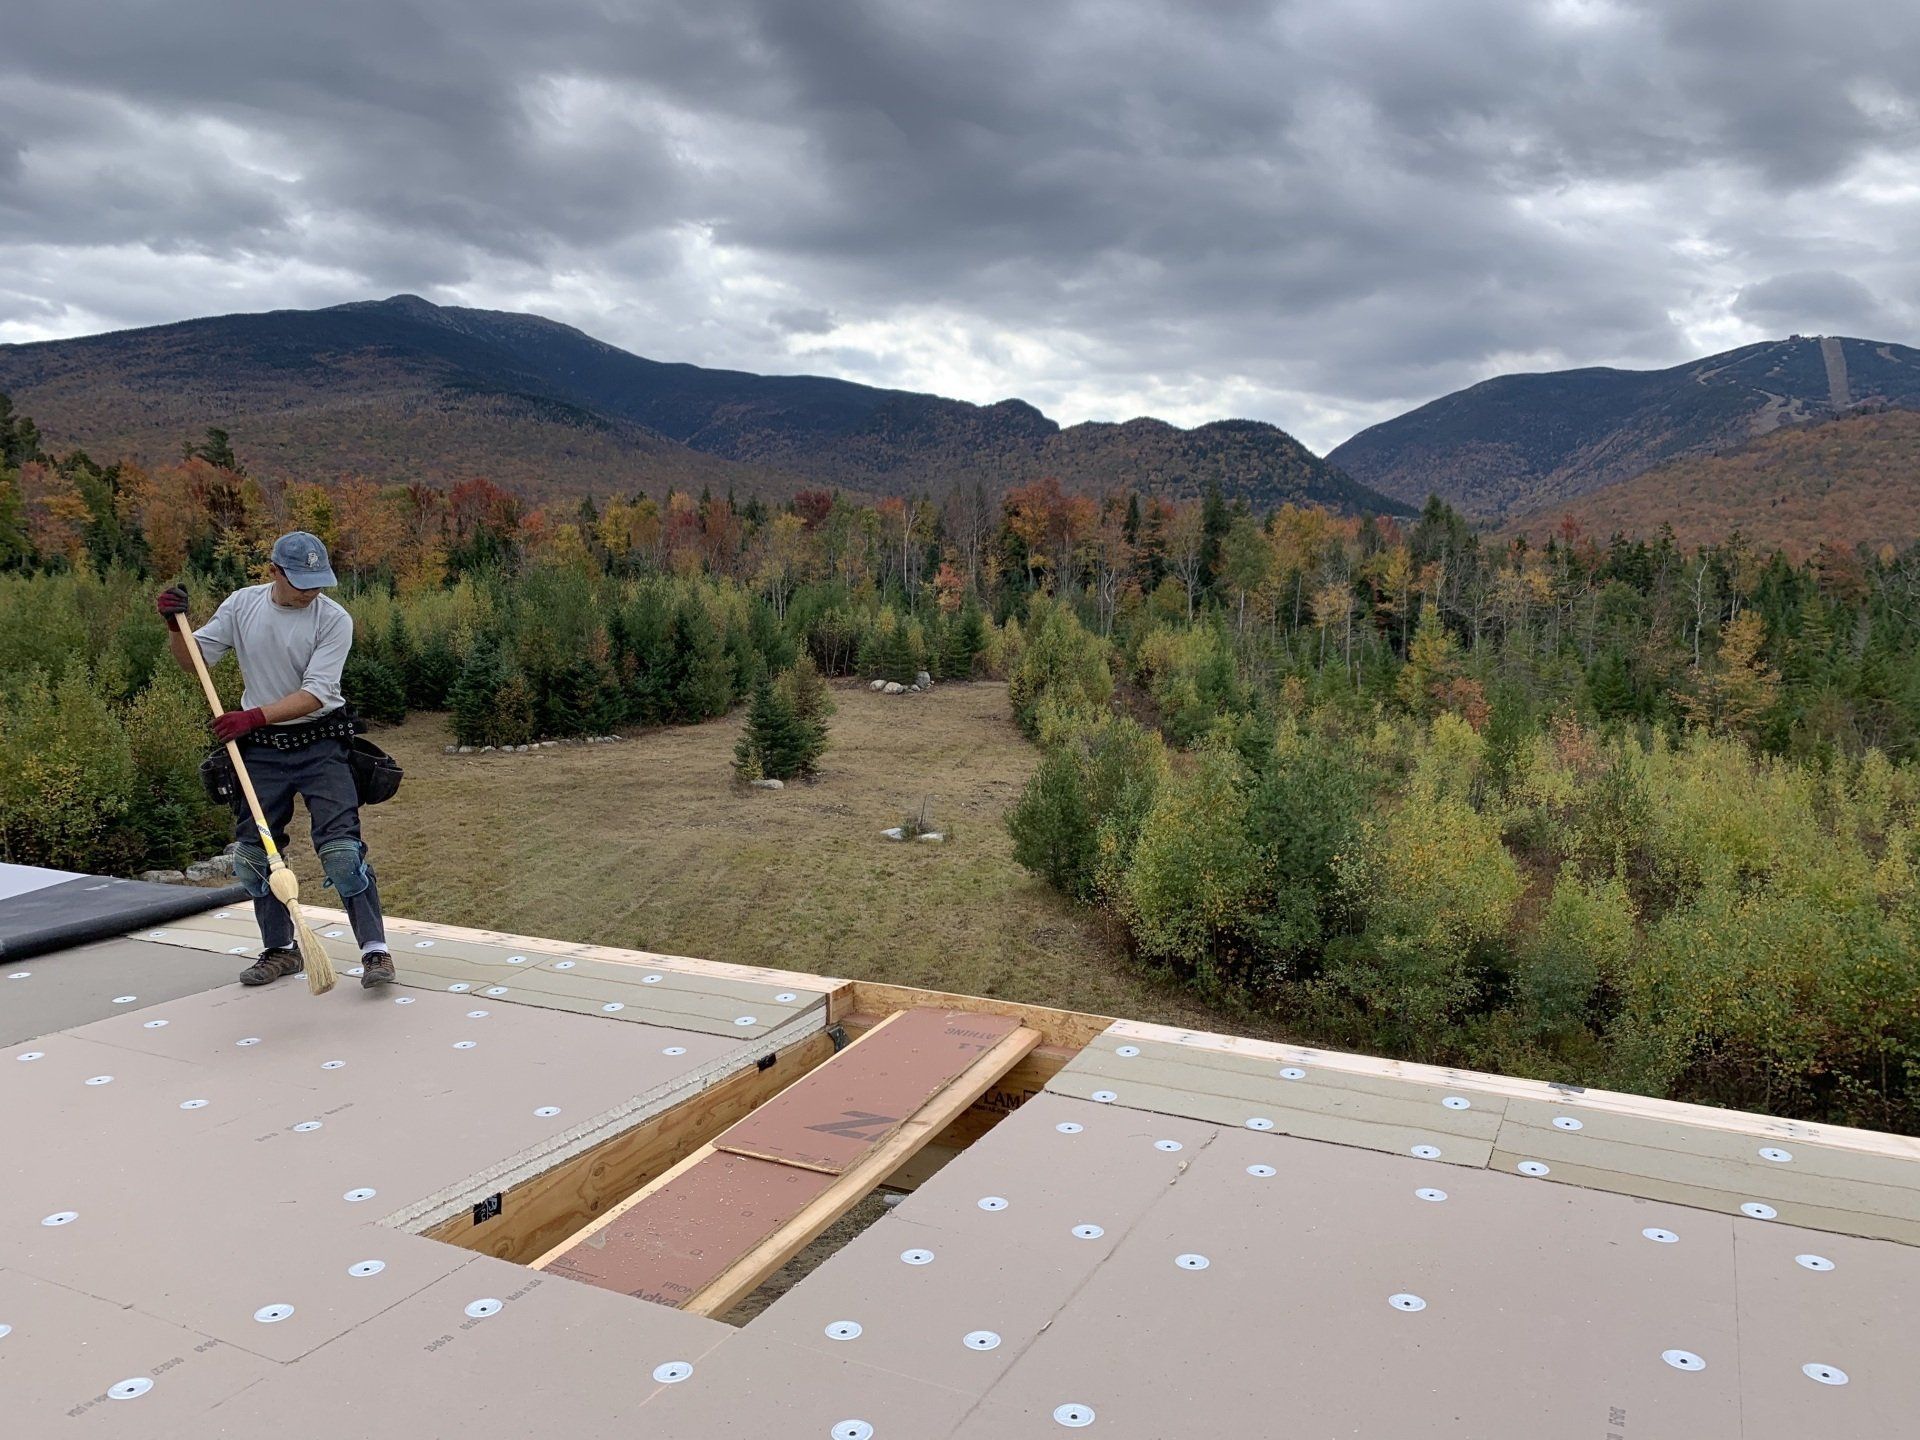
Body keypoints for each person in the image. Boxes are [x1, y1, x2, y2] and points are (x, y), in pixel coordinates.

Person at [157, 531, 396, 989]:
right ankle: (280, 951)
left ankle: (375, 952)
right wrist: (174, 626)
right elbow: (194, 661)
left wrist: (252, 716)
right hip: (262, 750)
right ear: (275, 572)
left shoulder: (333, 620)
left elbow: (317, 692)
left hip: (322, 743)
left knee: (342, 853)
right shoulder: (243, 605)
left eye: (318, 581)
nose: (311, 591)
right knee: (254, 855)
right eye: (302, 581)